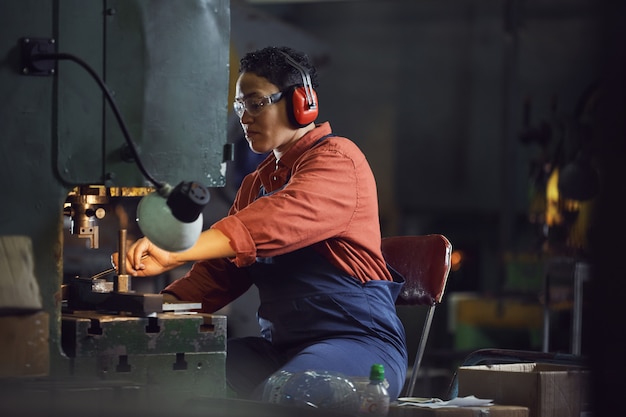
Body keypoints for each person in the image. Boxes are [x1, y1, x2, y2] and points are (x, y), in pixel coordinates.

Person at [113, 46, 408, 401]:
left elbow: (277, 220)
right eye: (239, 107)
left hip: (358, 344)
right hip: (280, 351)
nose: (244, 118)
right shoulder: (257, 183)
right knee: (171, 376)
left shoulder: (339, 160)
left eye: (255, 103)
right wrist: (144, 315)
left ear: (302, 102)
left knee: (289, 394)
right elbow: (220, 273)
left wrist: (178, 248)